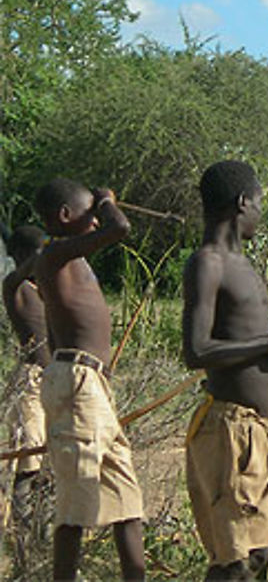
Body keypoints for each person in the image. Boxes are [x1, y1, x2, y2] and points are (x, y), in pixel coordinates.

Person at [182, 160, 268, 581]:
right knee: (234, 561)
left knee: (255, 556)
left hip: (261, 432)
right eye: (259, 203)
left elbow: (258, 337)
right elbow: (197, 350)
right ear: (243, 203)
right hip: (230, 432)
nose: (261, 211)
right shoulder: (208, 263)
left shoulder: (244, 266)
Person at [32, 178, 145, 582]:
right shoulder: (55, 253)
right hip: (78, 382)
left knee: (126, 496)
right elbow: (121, 229)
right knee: (75, 503)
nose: (96, 221)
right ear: (65, 216)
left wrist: (98, 204)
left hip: (92, 386)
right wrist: (108, 201)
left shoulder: (73, 259)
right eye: (89, 213)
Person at [2, 225, 52, 564]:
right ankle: (22, 548)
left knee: (50, 463)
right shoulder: (15, 286)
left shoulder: (43, 288)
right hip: (31, 384)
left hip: (55, 382)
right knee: (28, 463)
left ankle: (44, 540)